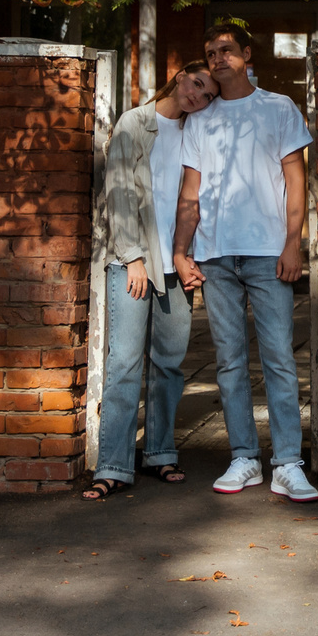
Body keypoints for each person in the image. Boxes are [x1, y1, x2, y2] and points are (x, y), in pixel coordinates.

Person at [171, 22, 316, 501]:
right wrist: (181, 249)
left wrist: (293, 242)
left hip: (267, 253)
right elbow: (190, 192)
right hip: (215, 256)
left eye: (226, 50)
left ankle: (289, 464)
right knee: (229, 364)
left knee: (278, 360)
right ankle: (244, 458)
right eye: (210, 52)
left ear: (246, 54)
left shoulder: (277, 108)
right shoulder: (200, 120)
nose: (217, 58)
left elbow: (296, 180)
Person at [82, 60, 215, 500]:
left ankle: (159, 452)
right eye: (196, 83)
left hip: (176, 264)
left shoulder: (197, 132)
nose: (198, 95)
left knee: (169, 366)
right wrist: (133, 257)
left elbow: (197, 200)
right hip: (133, 263)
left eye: (208, 93)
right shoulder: (134, 123)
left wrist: (191, 256)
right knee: (123, 365)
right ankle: (114, 464)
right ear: (179, 77)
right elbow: (118, 192)